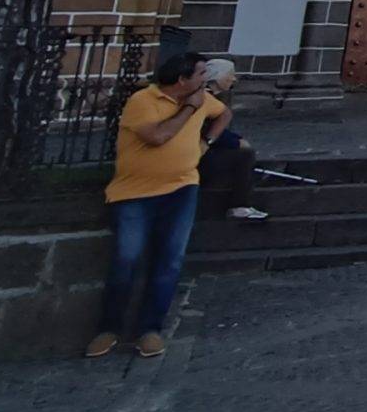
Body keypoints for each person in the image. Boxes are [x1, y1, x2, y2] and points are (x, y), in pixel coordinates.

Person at [87, 52, 226, 358]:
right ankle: (108, 328)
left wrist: (207, 143)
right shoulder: (143, 101)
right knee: (126, 260)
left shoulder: (203, 99)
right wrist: (190, 108)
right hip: (134, 194)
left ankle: (150, 330)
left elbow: (224, 113)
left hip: (182, 188)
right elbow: (159, 136)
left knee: (169, 262)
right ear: (182, 80)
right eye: (203, 74)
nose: (208, 80)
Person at [197, 59, 267, 222]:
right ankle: (239, 206)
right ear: (217, 76)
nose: (233, 79)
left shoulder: (217, 97)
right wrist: (235, 142)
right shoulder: (204, 98)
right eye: (230, 75)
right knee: (245, 155)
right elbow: (206, 128)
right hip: (194, 153)